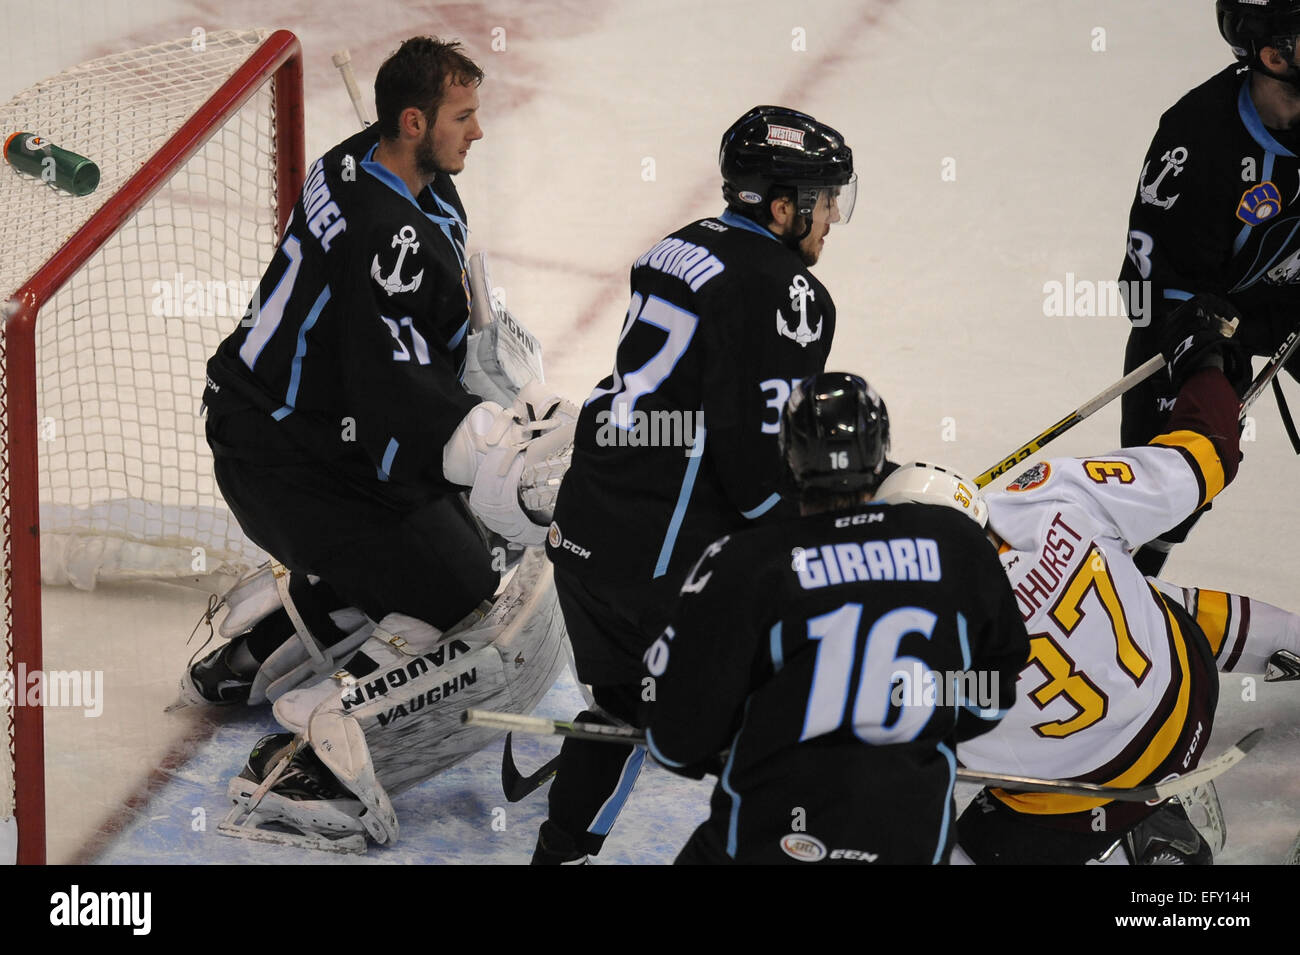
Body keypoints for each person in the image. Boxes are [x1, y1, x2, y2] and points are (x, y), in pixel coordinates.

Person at [175, 37, 574, 846]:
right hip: (282, 459)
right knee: (464, 585)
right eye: (464, 118)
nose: (480, 132)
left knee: (450, 542)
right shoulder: (385, 233)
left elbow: (412, 335)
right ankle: (316, 762)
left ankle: (259, 647)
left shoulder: (368, 162)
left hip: (289, 430)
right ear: (415, 120)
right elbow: (389, 393)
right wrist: (492, 446)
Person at [533, 106, 858, 863]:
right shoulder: (794, 295)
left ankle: (559, 857)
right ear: (783, 206)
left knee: (619, 710)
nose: (833, 215)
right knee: (783, 729)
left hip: (583, 536)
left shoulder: (679, 247)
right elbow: (754, 474)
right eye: (824, 198)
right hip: (664, 565)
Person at [641, 373, 1030, 864]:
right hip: (909, 839)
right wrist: (921, 696)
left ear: (789, 457)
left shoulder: (746, 561)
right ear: (880, 452)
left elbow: (676, 739)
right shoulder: (958, 543)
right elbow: (994, 693)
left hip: (773, 836)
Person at [951, 298, 1271, 864]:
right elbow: (1208, 456)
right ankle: (1287, 637)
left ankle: (1137, 848)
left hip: (1097, 797)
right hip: (1190, 697)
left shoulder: (908, 643)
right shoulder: (1046, 496)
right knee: (1119, 586)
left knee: (967, 838)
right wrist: (1207, 364)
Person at [1118, 0, 1300, 576]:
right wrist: (1199, 352)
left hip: (1291, 301)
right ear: (1274, 55)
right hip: (1201, 319)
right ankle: (1124, 591)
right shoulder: (1195, 136)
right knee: (1168, 493)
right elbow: (1145, 286)